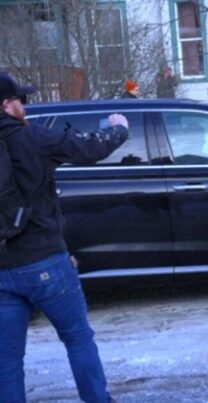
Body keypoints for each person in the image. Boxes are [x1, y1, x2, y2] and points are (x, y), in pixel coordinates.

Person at [0, 72, 128, 402]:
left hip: (2, 269)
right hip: (45, 262)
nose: (25, 106)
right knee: (77, 338)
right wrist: (118, 128)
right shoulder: (32, 137)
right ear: (6, 105)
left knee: (7, 359)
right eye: (20, 100)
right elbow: (90, 147)